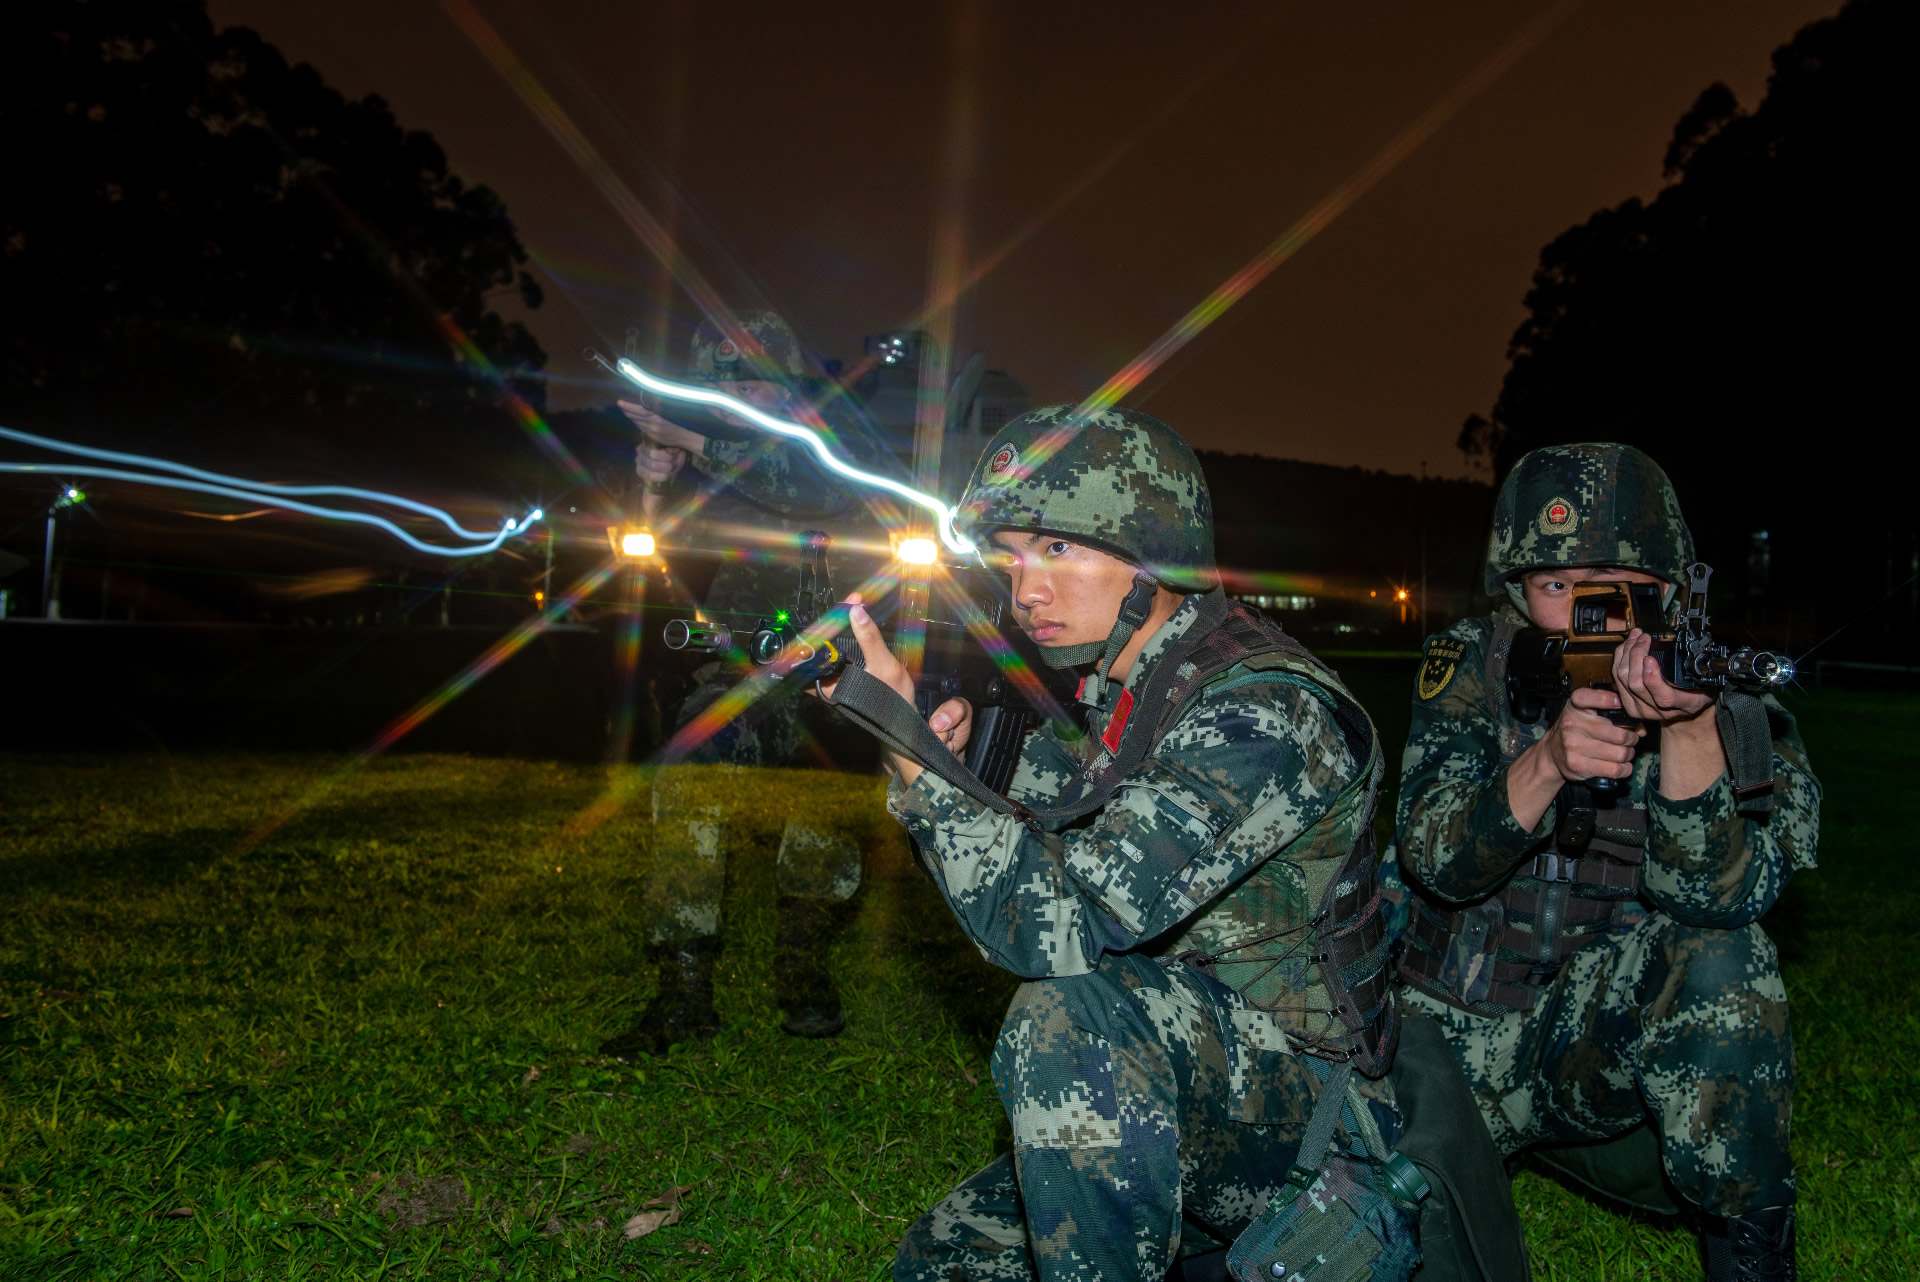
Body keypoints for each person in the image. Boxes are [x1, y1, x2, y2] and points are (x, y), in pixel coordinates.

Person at [821, 406, 1410, 1282]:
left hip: (1311, 1122)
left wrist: (915, 761)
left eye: (1058, 549)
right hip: (1193, 1069)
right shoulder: (1142, 685)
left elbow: (1053, 926)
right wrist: (952, 757)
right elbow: (1060, 801)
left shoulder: (1261, 713)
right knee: (943, 1263)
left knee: (1070, 1019)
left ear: (1155, 556)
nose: (1025, 590)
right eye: (1012, 557)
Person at [1391, 443, 1819, 1280]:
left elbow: (1719, 905)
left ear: (1671, 592)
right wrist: (1547, 762)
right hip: (1443, 1054)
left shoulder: (1734, 713)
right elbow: (1433, 858)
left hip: (1592, 1069)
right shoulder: (1472, 667)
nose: (1598, 615)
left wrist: (1690, 734)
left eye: (1623, 589)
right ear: (1517, 591)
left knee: (1729, 959)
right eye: (1560, 587)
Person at [599, 309, 882, 1056]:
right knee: (686, 773)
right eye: (732, 385)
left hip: (829, 678)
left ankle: (803, 967)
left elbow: (808, 486)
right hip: (738, 674)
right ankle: (684, 989)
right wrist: (652, 484)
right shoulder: (719, 462)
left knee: (824, 807)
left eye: (759, 380)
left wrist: (689, 441)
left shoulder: (834, 446)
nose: (747, 395)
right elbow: (654, 559)